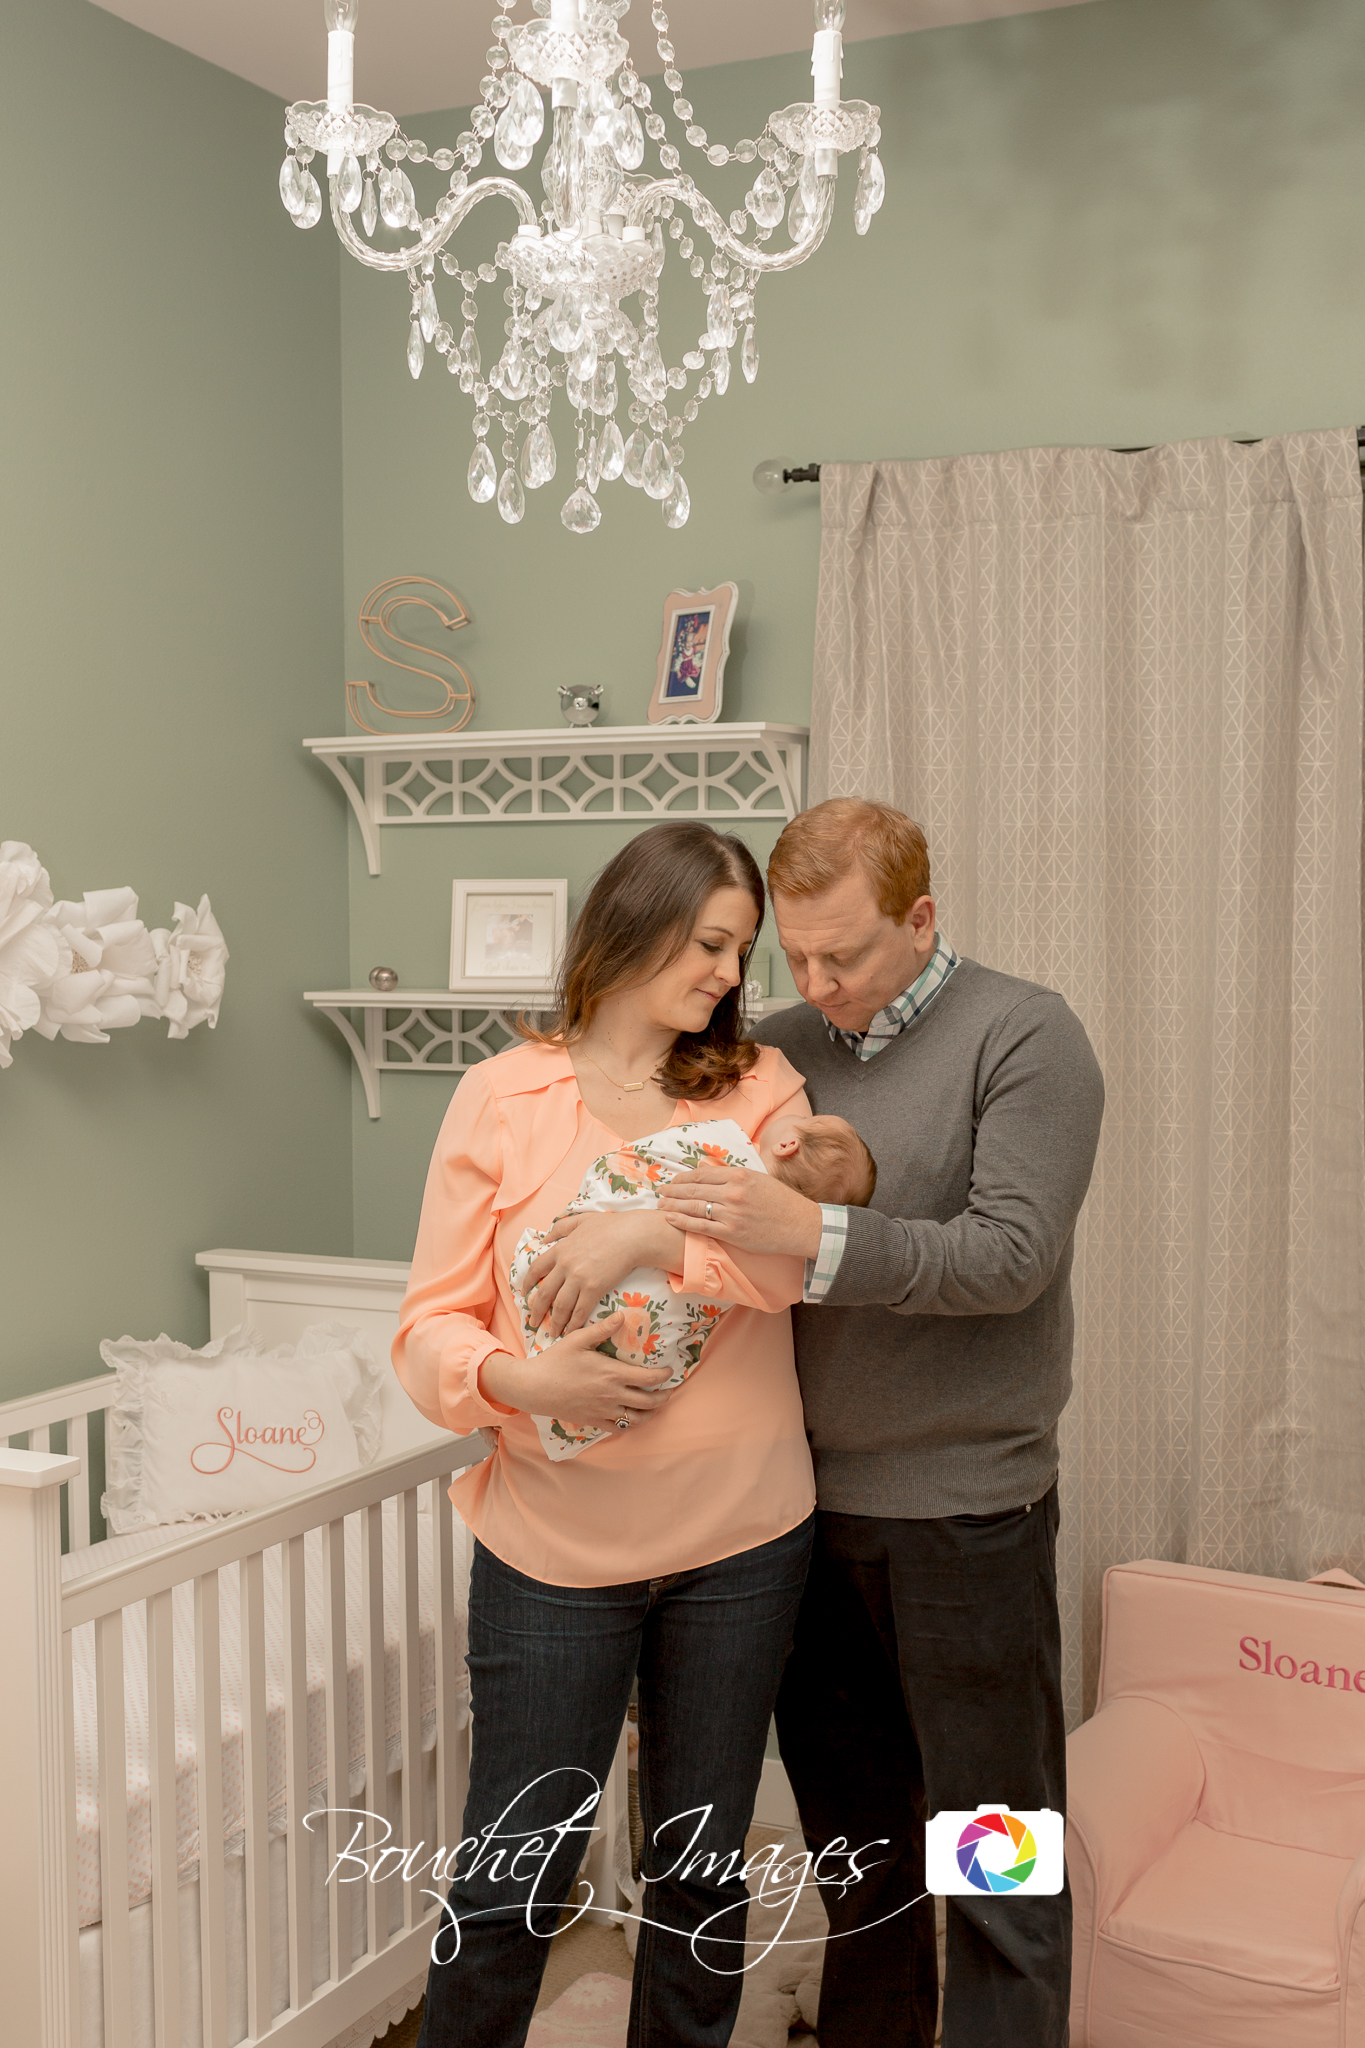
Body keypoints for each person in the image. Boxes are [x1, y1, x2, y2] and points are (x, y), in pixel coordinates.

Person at [658, 798, 1105, 2048]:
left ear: (920, 917)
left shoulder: (1025, 1034)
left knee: (994, 1854)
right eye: (794, 955)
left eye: (843, 954)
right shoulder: (780, 1046)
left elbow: (1010, 1257)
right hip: (801, 1513)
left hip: (970, 1514)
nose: (815, 984)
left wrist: (822, 1229)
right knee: (859, 1856)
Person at [392, 819, 817, 2048]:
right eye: (710, 942)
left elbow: (794, 1263)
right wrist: (526, 1380)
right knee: (510, 1875)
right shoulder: (501, 1096)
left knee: (698, 1872)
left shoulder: (760, 1087)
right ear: (636, 923)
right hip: (552, 1547)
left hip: (741, 1538)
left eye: (740, 951)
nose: (730, 975)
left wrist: (655, 1237)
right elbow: (427, 1325)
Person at [510, 1109, 876, 1459]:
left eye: (808, 1119)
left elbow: (633, 1165)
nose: (799, 1114)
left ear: (787, 1145)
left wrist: (645, 1236)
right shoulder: (773, 1250)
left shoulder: (723, 1146)